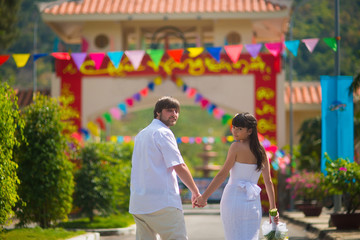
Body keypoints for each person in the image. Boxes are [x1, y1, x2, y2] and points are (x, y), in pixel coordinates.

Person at [195, 112, 279, 240]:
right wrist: (273, 211)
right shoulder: (262, 151)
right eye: (234, 127)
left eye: (239, 129)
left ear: (250, 130)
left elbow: (222, 175)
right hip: (253, 203)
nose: (235, 131)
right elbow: (268, 182)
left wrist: (204, 197)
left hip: (233, 199)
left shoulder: (235, 147)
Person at [129, 96, 202, 240]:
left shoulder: (141, 134)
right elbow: (179, 165)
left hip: (139, 203)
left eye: (176, 111)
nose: (174, 114)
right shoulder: (163, 132)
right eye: (169, 110)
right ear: (157, 112)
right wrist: (196, 192)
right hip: (162, 202)